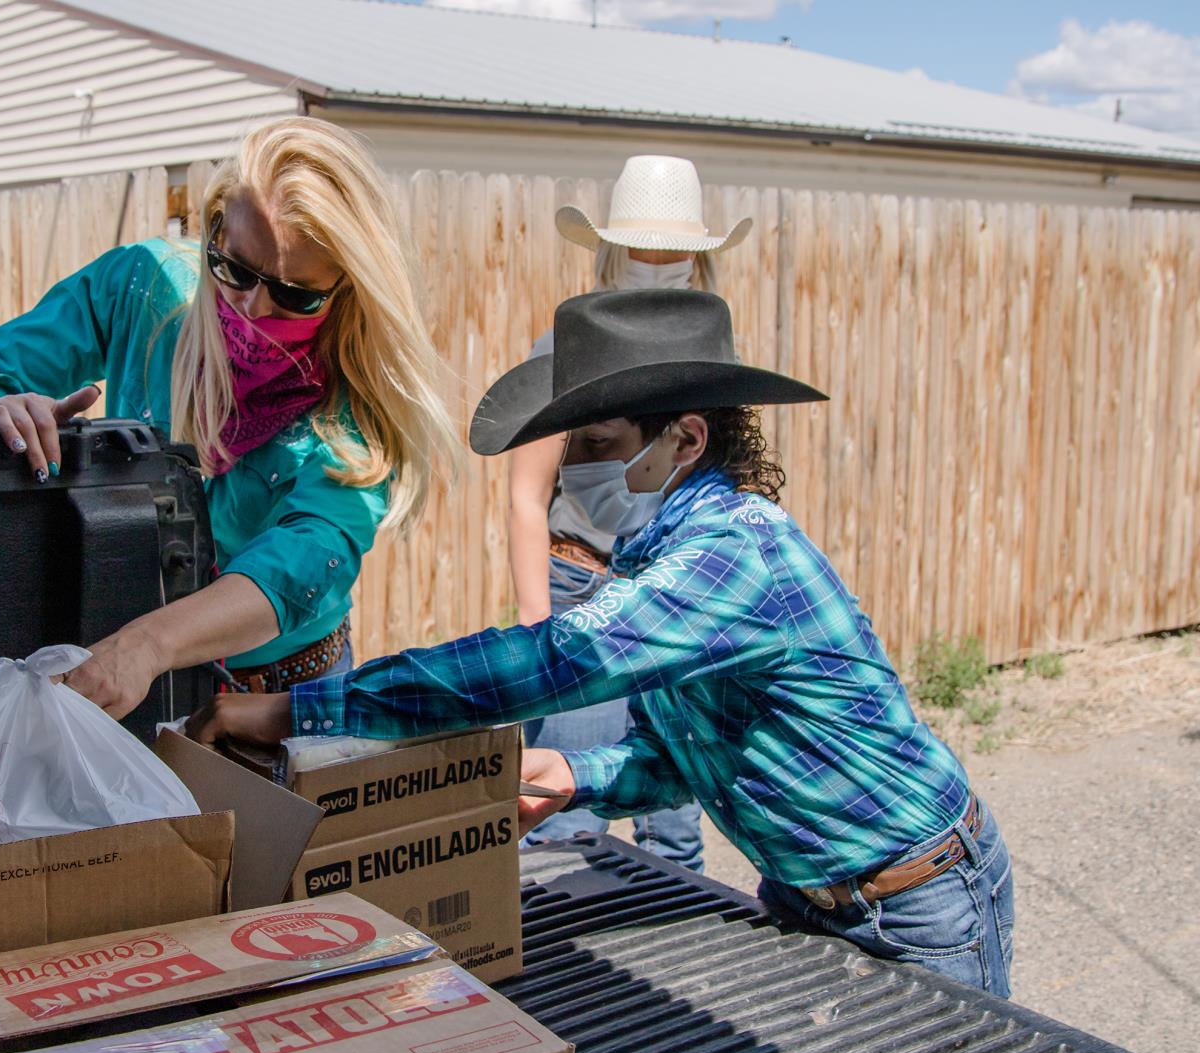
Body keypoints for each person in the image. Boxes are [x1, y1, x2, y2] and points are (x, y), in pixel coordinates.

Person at [191, 288, 1016, 998]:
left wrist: (307, 709)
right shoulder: (658, 563)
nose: (575, 473)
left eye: (598, 446)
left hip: (919, 898)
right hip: (812, 893)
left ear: (686, 441)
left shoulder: (732, 558)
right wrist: (579, 775)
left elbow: (544, 665)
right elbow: (679, 758)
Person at [0, 117, 455, 716]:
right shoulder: (142, 287)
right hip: (133, 664)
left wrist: (151, 643)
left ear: (350, 288)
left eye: (295, 294)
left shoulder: (357, 397)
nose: (252, 307)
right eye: (235, 267)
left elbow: (306, 562)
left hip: (282, 689)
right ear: (214, 228)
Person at [511, 155, 751, 866]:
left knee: (673, 813)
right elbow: (528, 493)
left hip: (673, 594)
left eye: (672, 251)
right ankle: (549, 970)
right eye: (644, 249)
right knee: (560, 818)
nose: (657, 263)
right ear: (612, 251)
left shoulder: (709, 350)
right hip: (583, 587)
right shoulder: (568, 346)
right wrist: (536, 625)